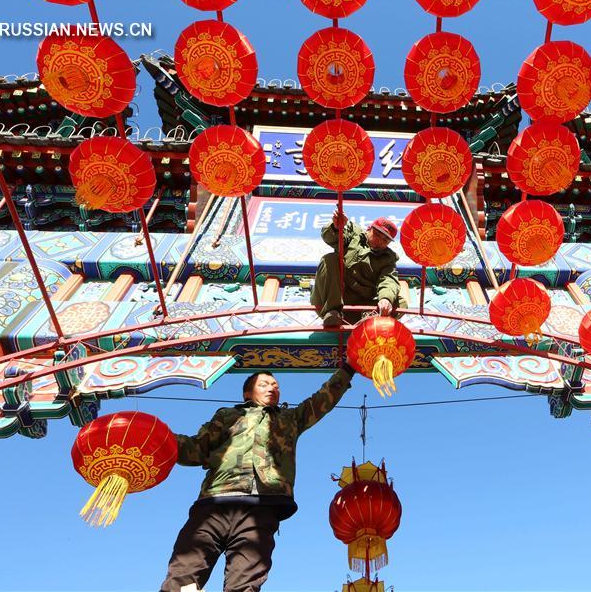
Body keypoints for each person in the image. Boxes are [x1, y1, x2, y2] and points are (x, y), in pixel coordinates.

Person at [160, 363, 356, 592]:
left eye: (276, 385)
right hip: (215, 502)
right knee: (183, 573)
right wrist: (160, 439)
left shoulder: (290, 419)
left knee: (245, 583)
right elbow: (196, 449)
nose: (272, 388)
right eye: (264, 384)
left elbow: (323, 399)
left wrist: (348, 368)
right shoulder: (227, 416)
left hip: (262, 507)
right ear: (247, 393)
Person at [311, 210, 406, 326]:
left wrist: (386, 298)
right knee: (329, 259)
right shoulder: (354, 234)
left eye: (385, 240)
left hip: (363, 302)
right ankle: (333, 312)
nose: (379, 241)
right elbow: (332, 238)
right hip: (336, 294)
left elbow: (388, 279)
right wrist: (336, 227)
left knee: (400, 303)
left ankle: (371, 319)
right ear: (369, 229)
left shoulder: (388, 259)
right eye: (377, 235)